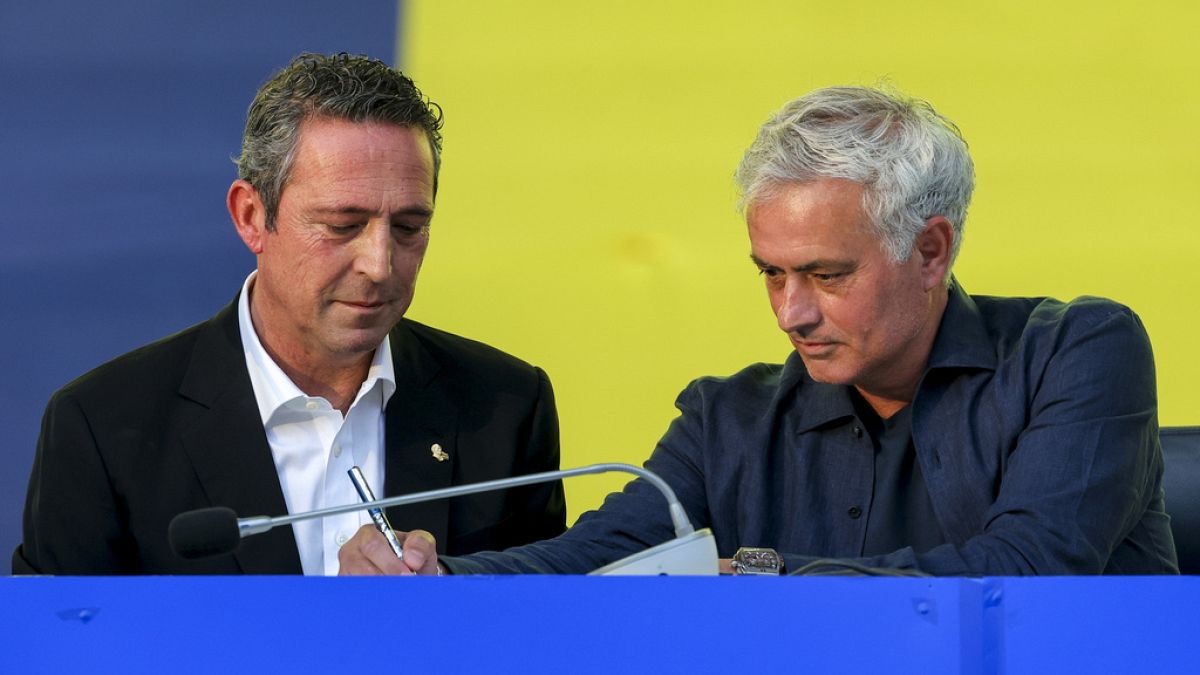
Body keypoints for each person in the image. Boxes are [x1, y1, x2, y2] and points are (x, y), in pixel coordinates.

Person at [339, 85, 1177, 576]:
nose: (791, 313)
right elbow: (597, 560)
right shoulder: (726, 421)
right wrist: (438, 576)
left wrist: (763, 574)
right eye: (771, 273)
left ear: (930, 250)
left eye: (827, 274)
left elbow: (1025, 573)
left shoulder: (1077, 352)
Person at [13, 53, 565, 575]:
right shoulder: (102, 427)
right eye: (342, 226)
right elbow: (59, 635)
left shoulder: (506, 407)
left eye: (408, 227)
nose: (379, 265)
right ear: (251, 216)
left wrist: (447, 590)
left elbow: (543, 622)